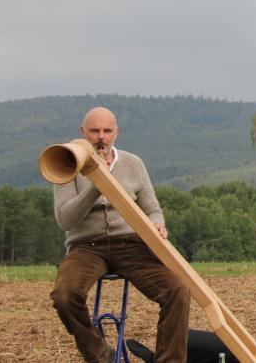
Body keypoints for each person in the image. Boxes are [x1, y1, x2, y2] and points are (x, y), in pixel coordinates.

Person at [50, 107, 190, 363]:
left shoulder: (134, 163)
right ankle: (99, 354)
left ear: (116, 132)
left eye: (106, 131)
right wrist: (96, 185)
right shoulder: (66, 163)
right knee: (64, 295)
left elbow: (153, 210)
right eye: (94, 131)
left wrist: (158, 225)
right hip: (86, 247)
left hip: (131, 245)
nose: (101, 137)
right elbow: (65, 219)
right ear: (83, 133)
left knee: (178, 289)